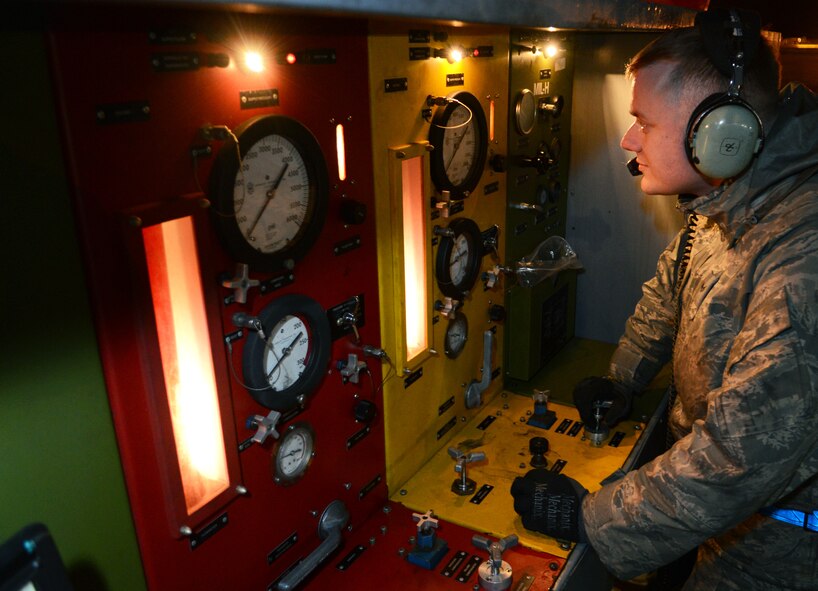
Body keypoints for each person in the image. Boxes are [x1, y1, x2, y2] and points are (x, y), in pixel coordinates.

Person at [511, 9, 818, 591]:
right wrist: (622, 380)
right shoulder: (735, 201)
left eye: (643, 123)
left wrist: (592, 520)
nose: (628, 140)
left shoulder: (803, 253)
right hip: (721, 520)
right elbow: (674, 287)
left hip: (777, 551)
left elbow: (742, 457)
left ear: (721, 135)